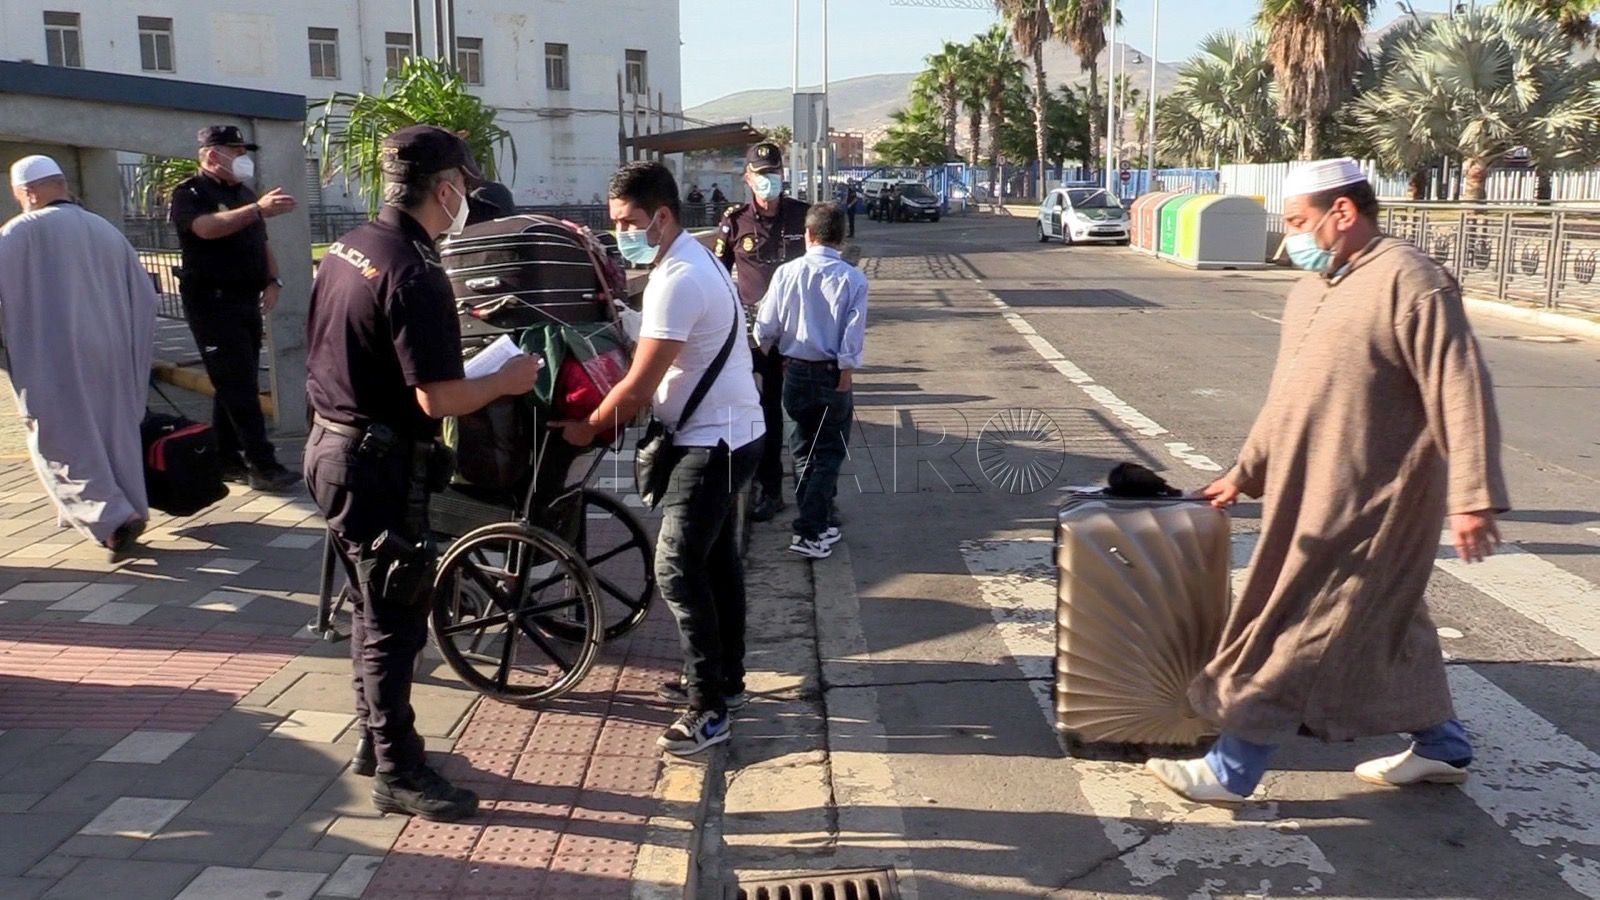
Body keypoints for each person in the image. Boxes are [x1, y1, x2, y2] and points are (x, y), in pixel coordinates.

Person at [1145, 158, 1510, 805]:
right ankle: (1441, 744)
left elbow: (1461, 386)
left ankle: (1235, 767)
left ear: (1342, 213)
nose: (1291, 239)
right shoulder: (1314, 287)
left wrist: (1473, 497)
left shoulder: (1411, 280)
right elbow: (1288, 397)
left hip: (1377, 498)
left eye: (1298, 222)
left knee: (1306, 619)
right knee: (1386, 619)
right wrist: (1245, 471)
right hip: (1306, 491)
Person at [304, 125, 542, 821]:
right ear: (445, 189)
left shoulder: (349, 247)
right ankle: (400, 772)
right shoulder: (415, 271)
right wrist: (508, 380)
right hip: (374, 466)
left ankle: (377, 741)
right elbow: (438, 398)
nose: (466, 197)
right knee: (394, 620)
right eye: (464, 186)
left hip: (330, 447)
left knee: (369, 605)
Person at [554, 161, 764, 757]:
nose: (620, 232)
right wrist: (618, 317)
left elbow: (639, 388)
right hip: (733, 433)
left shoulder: (678, 278)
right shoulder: (691, 262)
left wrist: (587, 429)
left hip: (712, 443)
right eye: (614, 222)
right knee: (715, 563)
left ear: (663, 216)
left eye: (628, 222)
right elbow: (659, 335)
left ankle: (708, 710)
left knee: (676, 568)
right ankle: (725, 681)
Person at [0, 156, 159, 561]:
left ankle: (111, 520)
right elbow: (144, 297)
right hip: (112, 351)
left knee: (59, 436)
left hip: (52, 354)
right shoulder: (104, 229)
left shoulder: (20, 231)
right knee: (111, 432)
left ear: (29, 192)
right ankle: (127, 506)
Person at [169, 125, 299, 492]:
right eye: (236, 152)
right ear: (212, 155)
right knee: (238, 384)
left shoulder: (242, 192)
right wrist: (255, 209)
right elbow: (205, 229)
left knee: (234, 379)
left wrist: (273, 281)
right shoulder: (190, 193)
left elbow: (261, 242)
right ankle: (263, 464)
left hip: (245, 300)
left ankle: (224, 458)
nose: (243, 159)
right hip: (212, 301)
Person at [753, 202, 867, 560]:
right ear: (842, 239)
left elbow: (765, 327)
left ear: (808, 235)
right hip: (832, 372)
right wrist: (846, 372)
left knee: (802, 452)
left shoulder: (786, 273)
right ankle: (811, 529)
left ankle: (813, 522)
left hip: (794, 370)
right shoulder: (853, 278)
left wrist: (768, 355)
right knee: (830, 452)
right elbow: (853, 333)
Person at [715, 141, 809, 522]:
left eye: (775, 173)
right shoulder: (735, 222)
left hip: (800, 331)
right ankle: (769, 489)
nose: (769, 181)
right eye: (761, 175)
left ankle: (817, 495)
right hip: (756, 335)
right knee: (763, 411)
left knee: (805, 414)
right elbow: (718, 276)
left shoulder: (803, 217)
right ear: (747, 179)